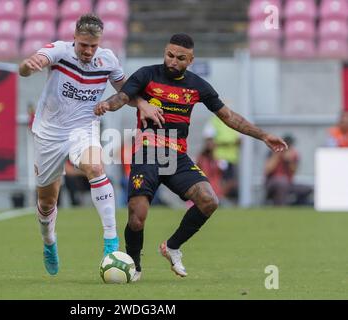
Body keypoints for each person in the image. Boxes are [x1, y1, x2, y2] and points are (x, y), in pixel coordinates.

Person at [94, 33, 287, 281]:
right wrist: (107, 105)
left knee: (209, 200)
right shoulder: (147, 74)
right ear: (165, 52)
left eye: (180, 58)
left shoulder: (197, 86)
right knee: (137, 214)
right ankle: (135, 265)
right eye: (169, 55)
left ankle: (172, 247)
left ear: (191, 60)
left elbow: (229, 117)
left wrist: (263, 135)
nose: (173, 61)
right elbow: (123, 96)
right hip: (147, 151)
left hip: (176, 155)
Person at [19, 14, 162, 276]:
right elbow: (25, 70)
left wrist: (142, 103)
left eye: (92, 46)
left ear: (100, 43)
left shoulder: (107, 60)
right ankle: (49, 241)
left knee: (96, 167)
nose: (87, 51)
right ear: (74, 38)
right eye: (83, 45)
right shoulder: (59, 51)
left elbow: (125, 92)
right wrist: (29, 66)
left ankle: (111, 243)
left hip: (83, 128)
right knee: (48, 201)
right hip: (49, 133)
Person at [264, 135, 313, 206]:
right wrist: (278, 155)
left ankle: (296, 207)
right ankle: (280, 208)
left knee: (307, 189)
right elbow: (268, 170)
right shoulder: (273, 151)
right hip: (272, 182)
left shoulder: (293, 155)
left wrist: (289, 160)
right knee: (281, 182)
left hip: (288, 183)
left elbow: (294, 171)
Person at [203, 115, 240, 203]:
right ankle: (217, 197)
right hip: (217, 158)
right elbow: (208, 139)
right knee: (217, 179)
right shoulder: (214, 121)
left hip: (231, 159)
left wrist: (220, 143)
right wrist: (228, 143)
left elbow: (240, 140)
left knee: (229, 182)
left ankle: (219, 197)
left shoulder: (234, 121)